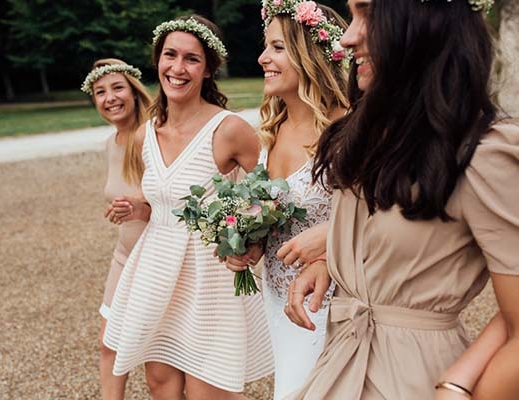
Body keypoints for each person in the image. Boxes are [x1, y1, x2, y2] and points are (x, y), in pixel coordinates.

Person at [285, 0, 519, 399]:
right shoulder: (372, 134)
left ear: (425, 23)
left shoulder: (485, 154)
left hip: (416, 380)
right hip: (339, 364)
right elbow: (400, 229)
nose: (347, 37)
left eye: (369, 16)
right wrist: (340, 261)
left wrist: (460, 384)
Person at [102, 15, 273, 400]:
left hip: (208, 277)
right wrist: (140, 209)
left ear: (209, 68)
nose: (177, 69)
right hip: (157, 268)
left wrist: (248, 235)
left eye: (192, 59)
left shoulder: (228, 128)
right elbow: (169, 204)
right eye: (170, 55)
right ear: (157, 60)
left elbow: (274, 187)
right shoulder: (147, 130)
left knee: (205, 392)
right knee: (159, 382)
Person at [223, 1, 349, 399]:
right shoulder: (271, 129)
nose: (263, 58)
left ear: (309, 56)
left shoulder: (347, 129)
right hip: (277, 299)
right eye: (266, 47)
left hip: (332, 305)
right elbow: (276, 216)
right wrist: (246, 242)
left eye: (277, 48)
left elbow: (382, 217)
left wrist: (331, 245)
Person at [80, 58, 153, 400]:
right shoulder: (111, 143)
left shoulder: (153, 134)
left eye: (117, 88)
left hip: (157, 258)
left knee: (161, 366)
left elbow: (179, 195)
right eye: (100, 92)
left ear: (135, 92)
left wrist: (141, 203)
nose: (110, 98)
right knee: (109, 344)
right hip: (124, 257)